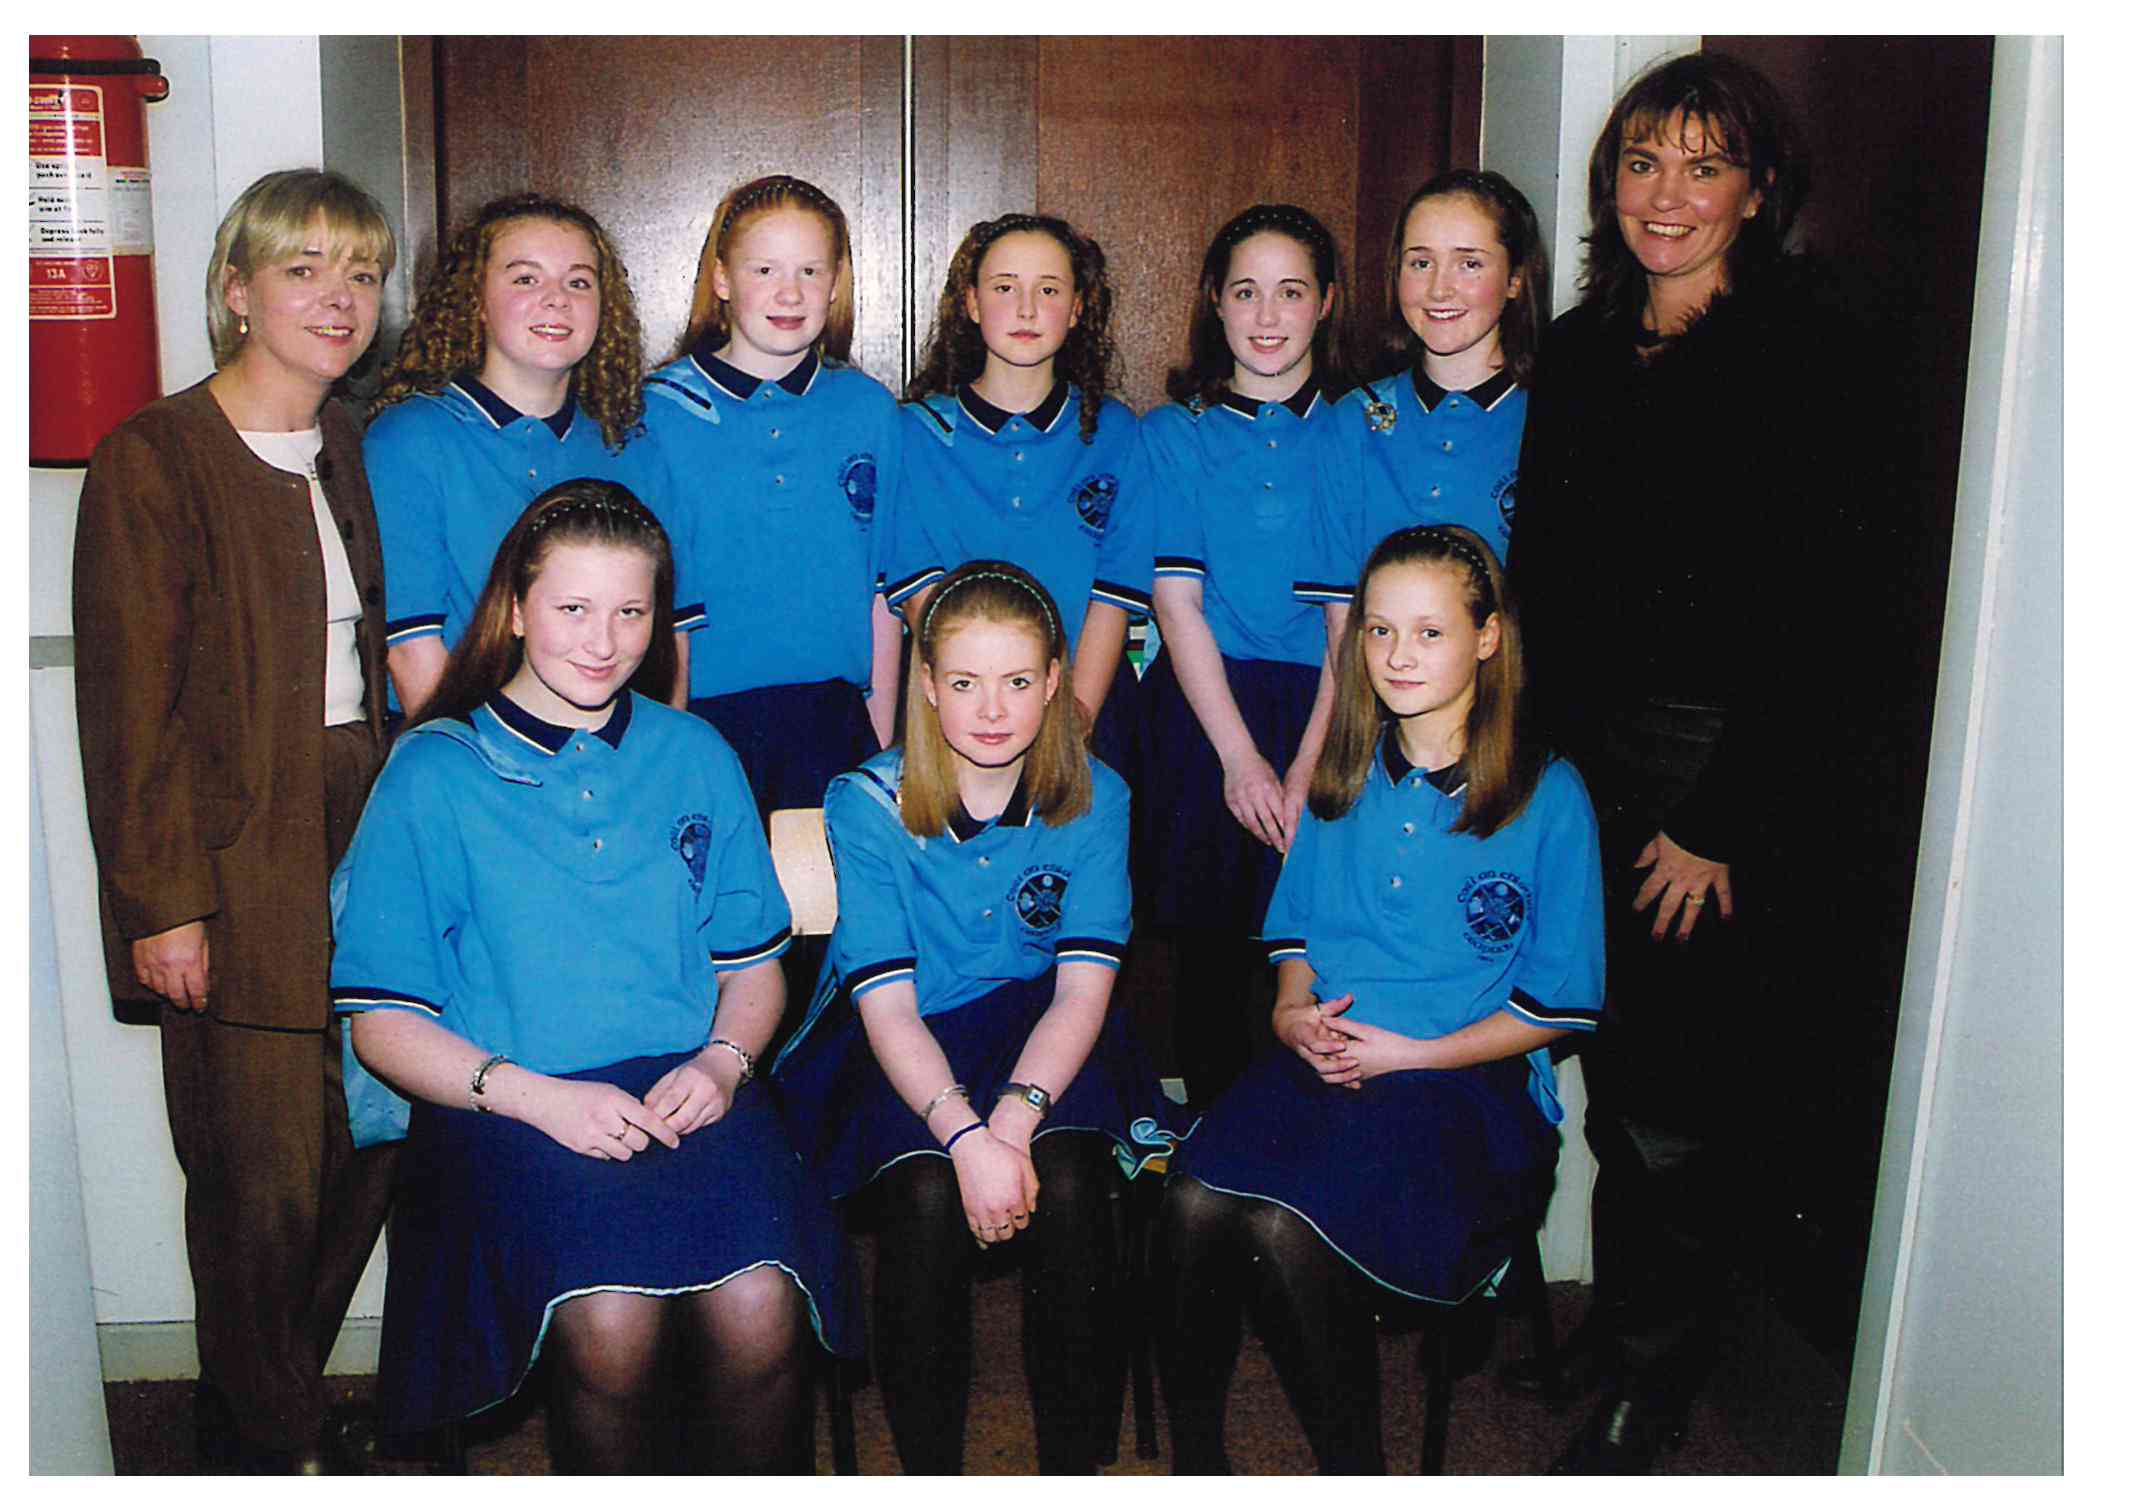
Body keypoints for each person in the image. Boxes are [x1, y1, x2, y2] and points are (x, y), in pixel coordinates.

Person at [328, 480, 858, 1473]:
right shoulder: (433, 771)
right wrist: (540, 1100)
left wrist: (723, 1061)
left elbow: (753, 969)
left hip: (687, 1085)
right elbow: (382, 1026)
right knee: (611, 1316)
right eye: (573, 607)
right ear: (514, 609)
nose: (603, 641)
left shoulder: (694, 751)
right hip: (507, 1100)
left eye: (630, 611)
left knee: (761, 1303)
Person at [1503, 51, 1855, 1473]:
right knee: (1607, 1053)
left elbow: (1820, 617)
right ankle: (1624, 1321)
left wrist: (1720, 818)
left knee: (1677, 1100)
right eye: (1644, 161)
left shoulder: (1802, 352)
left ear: (1757, 193)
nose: (1666, 194)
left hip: (1706, 766)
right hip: (1582, 757)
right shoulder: (1583, 346)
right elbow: (1542, 573)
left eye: (1703, 168)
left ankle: (1655, 1380)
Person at [73, 168, 402, 1473]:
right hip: (232, 845)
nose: (338, 297)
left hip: (361, 818)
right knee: (258, 1181)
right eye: (304, 268)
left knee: (369, 1139)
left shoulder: (353, 442)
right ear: (236, 289)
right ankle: (272, 1447)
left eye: (361, 272)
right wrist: (165, 905)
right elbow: (128, 710)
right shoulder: (154, 458)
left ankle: (260, 1414)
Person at [1155, 525, 1604, 1475]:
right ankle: (1195, 1471)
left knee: (1280, 1227)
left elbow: (1559, 1003)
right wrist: (1288, 1013)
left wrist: (1409, 1054)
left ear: (1487, 637)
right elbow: (1294, 936)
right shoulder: (1343, 770)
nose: (1398, 655)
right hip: (1328, 1057)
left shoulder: (1546, 791)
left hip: (1467, 1082)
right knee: (1192, 1200)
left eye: (1429, 632)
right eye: (1379, 630)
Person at [772, 560, 1174, 1474]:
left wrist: (1013, 1123)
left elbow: (1080, 993)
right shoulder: (865, 802)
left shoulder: (1098, 795)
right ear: (924, 684)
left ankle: (1074, 1469)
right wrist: (964, 1135)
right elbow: (886, 1007)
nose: (991, 709)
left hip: (1044, 1025)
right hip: (906, 1030)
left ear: (1055, 681)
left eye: (1017, 681)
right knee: (922, 1193)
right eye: (963, 682)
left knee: (1070, 1179)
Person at [1140, 203, 1357, 1111]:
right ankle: (1209, 1159)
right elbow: (1175, 604)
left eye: (1291, 292)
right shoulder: (1174, 432)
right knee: (1210, 961)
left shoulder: (1358, 429)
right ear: (1215, 303)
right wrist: (1238, 759)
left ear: (1325, 303)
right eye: (1245, 292)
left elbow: (1351, 626)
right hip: (1205, 714)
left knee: (1313, 950)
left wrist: (1309, 765)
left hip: (1330, 711)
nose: (1267, 317)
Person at [641, 173, 904, 818]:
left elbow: (882, 591)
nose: (791, 293)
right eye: (765, 269)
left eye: (811, 271)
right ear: (722, 279)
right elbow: (656, 602)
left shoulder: (868, 408)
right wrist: (666, 751)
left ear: (836, 283)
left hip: (834, 721)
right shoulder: (658, 413)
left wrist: (879, 744)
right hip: (702, 721)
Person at [365, 192, 681, 719]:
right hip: (466, 748)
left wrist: (653, 757)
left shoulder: (630, 446)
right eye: (526, 279)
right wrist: (481, 764)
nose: (556, 300)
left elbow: (665, 642)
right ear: (476, 299)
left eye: (578, 282)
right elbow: (411, 651)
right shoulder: (409, 441)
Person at [885, 214, 1153, 783]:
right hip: (955, 716)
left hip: (1085, 714)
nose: (1027, 309)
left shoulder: (1117, 433)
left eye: (1049, 290)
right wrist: (978, 708)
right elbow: (920, 596)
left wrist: (1072, 721)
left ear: (1077, 308)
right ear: (971, 303)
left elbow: (1113, 593)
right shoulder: (912, 434)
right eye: (1005, 287)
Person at [1295, 169, 1548, 617]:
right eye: (1420, 263)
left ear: (1515, 279)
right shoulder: (1353, 420)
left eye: (1469, 264)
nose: (1438, 289)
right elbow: (1339, 615)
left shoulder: (1553, 416)